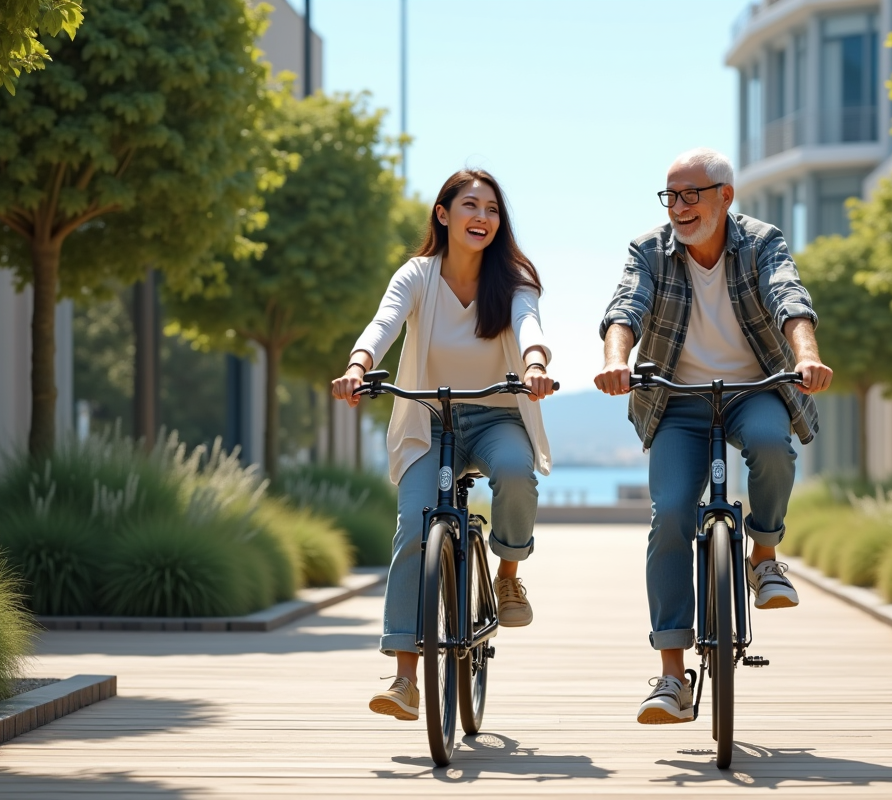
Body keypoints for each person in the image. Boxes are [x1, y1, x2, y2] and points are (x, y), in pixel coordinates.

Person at [594, 148, 833, 725]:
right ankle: (671, 677)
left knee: (774, 447)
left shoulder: (761, 241)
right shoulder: (649, 251)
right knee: (672, 513)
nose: (678, 207)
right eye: (670, 196)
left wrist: (808, 358)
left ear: (725, 196)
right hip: (677, 400)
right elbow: (626, 307)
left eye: (690, 194)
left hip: (755, 389)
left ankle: (764, 554)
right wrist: (615, 360)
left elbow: (789, 298)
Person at [331, 169, 556, 722]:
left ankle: (507, 578)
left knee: (515, 473)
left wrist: (534, 365)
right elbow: (383, 324)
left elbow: (529, 326)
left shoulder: (514, 279)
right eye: (471, 206)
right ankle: (405, 678)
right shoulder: (417, 275)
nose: (482, 218)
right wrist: (360, 367)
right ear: (444, 214)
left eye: (492, 210)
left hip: (496, 414)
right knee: (414, 525)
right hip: (428, 419)